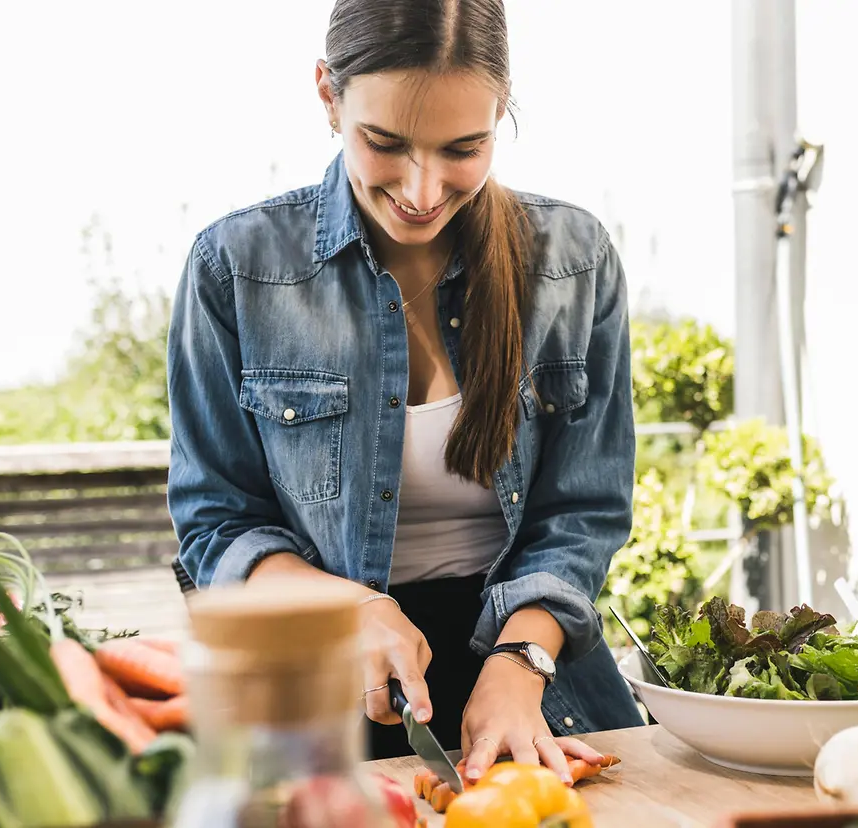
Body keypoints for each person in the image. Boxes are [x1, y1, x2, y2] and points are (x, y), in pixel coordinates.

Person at [165, 0, 644, 786]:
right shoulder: (236, 267)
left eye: (465, 147)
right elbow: (217, 524)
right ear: (329, 96)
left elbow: (583, 511)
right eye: (384, 143)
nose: (423, 190)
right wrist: (353, 608)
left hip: (537, 690)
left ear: (502, 109)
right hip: (313, 703)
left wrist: (520, 660)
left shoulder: (573, 261)